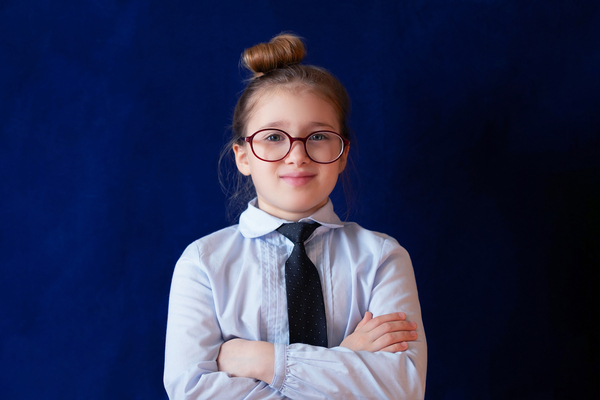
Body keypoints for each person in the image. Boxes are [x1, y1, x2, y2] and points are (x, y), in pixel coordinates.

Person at [163, 33, 427, 399]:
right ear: (243, 156)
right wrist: (348, 360)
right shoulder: (203, 264)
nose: (297, 155)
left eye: (318, 136)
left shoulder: (382, 259)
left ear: (343, 152)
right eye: (273, 137)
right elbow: (192, 393)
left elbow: (401, 389)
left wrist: (263, 361)